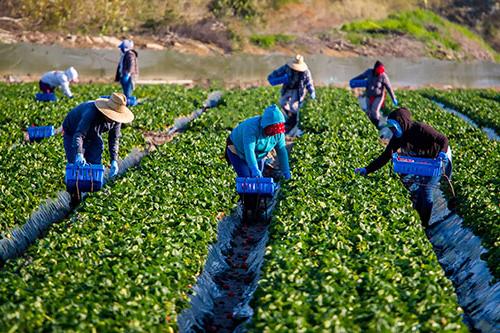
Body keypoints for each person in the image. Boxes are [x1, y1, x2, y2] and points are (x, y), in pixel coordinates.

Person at [354, 108, 452, 226]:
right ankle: (419, 221)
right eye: (391, 128)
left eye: (394, 127)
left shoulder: (421, 128)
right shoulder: (398, 138)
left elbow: (443, 140)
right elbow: (386, 156)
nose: (392, 130)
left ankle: (425, 224)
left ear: (402, 123)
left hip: (439, 159)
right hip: (425, 161)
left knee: (427, 189)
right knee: (420, 189)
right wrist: (366, 169)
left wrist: (442, 153)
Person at [62, 93, 134, 204]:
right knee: (76, 167)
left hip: (94, 133)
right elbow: (79, 135)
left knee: (95, 161)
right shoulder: (91, 112)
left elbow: (114, 139)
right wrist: (79, 153)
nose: (112, 119)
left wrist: (114, 160)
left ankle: (90, 195)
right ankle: (75, 198)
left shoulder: (117, 120)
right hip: (73, 131)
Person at [225, 104, 291, 180]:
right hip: (237, 151)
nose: (274, 133)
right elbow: (249, 150)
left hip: (259, 155)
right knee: (247, 178)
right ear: (266, 125)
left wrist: (286, 171)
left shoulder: (278, 133)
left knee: (258, 180)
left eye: (276, 131)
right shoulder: (251, 128)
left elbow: (282, 152)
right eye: (272, 130)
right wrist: (254, 169)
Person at [267, 54, 316, 135]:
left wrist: (312, 92)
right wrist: (277, 78)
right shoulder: (287, 67)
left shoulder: (305, 72)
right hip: (287, 89)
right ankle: (288, 119)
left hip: (298, 91)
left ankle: (292, 123)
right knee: (282, 103)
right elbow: (275, 74)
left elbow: (309, 82)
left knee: (294, 107)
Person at [350, 61, 397, 129]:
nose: (379, 72)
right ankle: (371, 126)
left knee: (374, 111)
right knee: (368, 112)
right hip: (369, 95)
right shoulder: (369, 72)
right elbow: (362, 76)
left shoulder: (383, 76)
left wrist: (393, 98)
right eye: (378, 70)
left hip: (379, 96)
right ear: (375, 68)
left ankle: (377, 126)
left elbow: (389, 87)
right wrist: (353, 80)